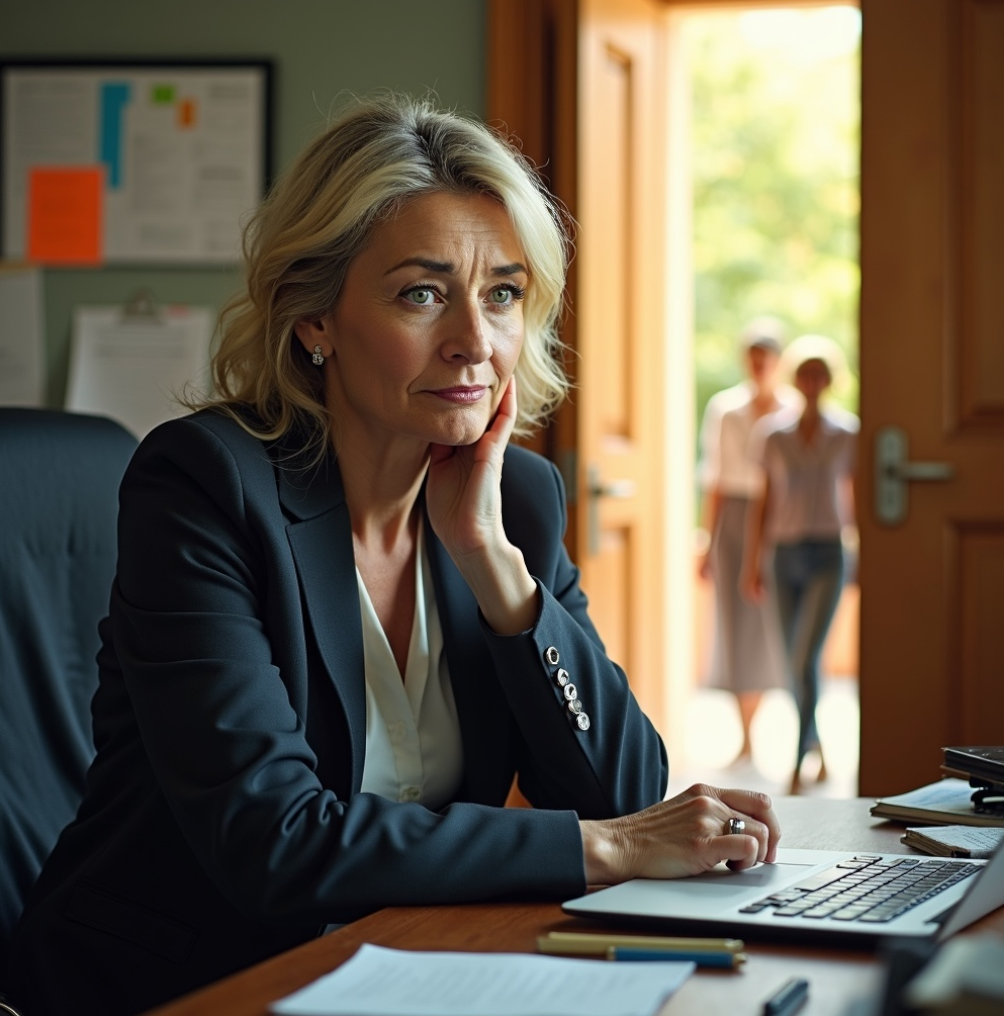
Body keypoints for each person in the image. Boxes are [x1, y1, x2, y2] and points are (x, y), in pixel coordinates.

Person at [7, 95, 780, 1016]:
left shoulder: (515, 501)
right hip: (180, 987)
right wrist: (604, 848)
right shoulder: (207, 486)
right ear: (314, 319)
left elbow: (622, 786)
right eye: (421, 293)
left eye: (502, 293)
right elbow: (277, 839)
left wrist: (493, 564)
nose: (476, 342)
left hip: (409, 968)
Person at [742, 335, 858, 795]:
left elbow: (859, 496)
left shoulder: (849, 432)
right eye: (805, 373)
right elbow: (763, 501)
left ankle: (797, 757)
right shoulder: (772, 434)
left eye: (820, 373)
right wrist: (751, 561)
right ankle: (820, 747)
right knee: (792, 661)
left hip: (830, 552)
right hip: (783, 554)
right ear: (796, 378)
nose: (812, 382)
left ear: (830, 380)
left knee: (806, 655)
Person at [696, 318, 798, 766]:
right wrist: (707, 541)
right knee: (736, 625)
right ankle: (746, 735)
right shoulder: (725, 408)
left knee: (776, 624)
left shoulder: (793, 409)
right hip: (736, 518)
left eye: (767, 358)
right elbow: (715, 480)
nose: (759, 365)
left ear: (777, 361)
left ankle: (798, 735)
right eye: (753, 357)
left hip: (780, 519)